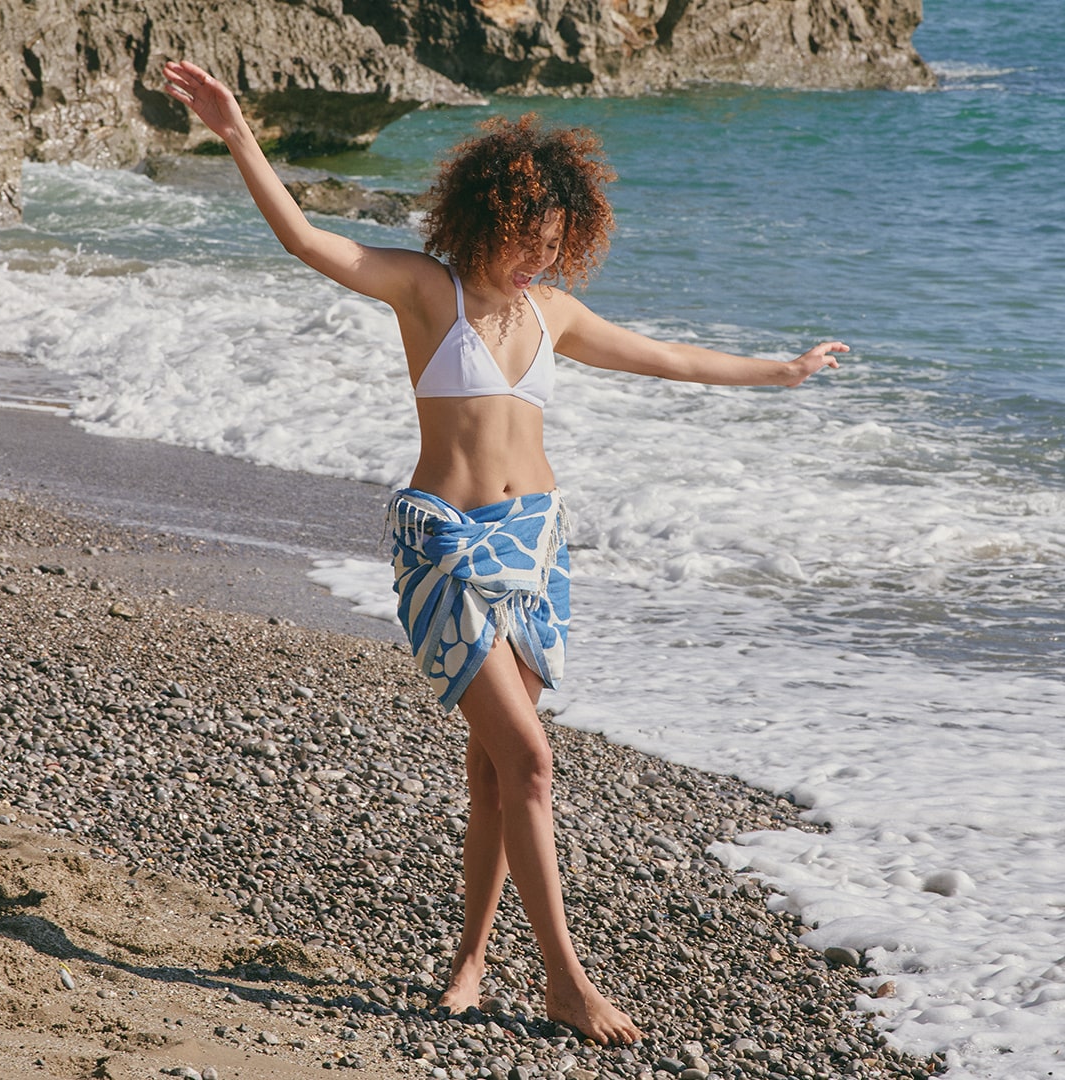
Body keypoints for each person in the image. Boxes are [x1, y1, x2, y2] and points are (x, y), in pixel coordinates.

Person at [163, 58, 847, 1047]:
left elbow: (668, 358)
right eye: (528, 240)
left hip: (536, 555)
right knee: (531, 760)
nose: (538, 259)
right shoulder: (425, 291)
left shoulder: (549, 313)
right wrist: (237, 133)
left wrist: (778, 370)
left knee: (493, 771)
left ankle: (472, 964)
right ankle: (566, 981)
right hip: (445, 553)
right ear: (487, 217)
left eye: (555, 245)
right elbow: (308, 239)